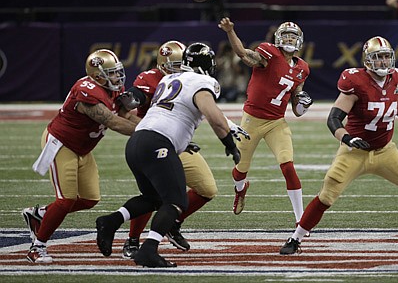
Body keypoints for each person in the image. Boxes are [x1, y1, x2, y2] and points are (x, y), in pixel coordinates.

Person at [279, 36, 398, 255]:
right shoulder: (355, 81)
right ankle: (295, 238)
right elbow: (334, 118)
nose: (384, 62)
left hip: (386, 150)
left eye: (386, 57)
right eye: (379, 57)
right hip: (354, 151)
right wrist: (347, 138)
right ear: (367, 60)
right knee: (326, 197)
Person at [95, 43, 242, 268]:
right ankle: (148, 250)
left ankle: (110, 222)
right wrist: (229, 144)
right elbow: (213, 117)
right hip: (158, 143)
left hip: (138, 140)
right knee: (176, 200)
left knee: (153, 199)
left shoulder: (167, 80)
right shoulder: (203, 82)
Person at [22, 49, 140, 264]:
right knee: (66, 199)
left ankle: (39, 214)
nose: (117, 77)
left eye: (117, 72)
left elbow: (125, 115)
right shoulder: (86, 91)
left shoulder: (112, 88)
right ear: (97, 75)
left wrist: (154, 128)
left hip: (83, 147)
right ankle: (37, 247)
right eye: (111, 73)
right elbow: (113, 123)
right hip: (62, 143)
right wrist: (149, 133)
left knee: (89, 199)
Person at [218, 18, 313, 227]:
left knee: (288, 166)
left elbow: (297, 108)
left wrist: (303, 103)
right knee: (240, 170)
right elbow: (243, 53)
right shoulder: (269, 54)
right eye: (286, 35)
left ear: (300, 42)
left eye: (293, 36)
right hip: (251, 120)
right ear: (279, 39)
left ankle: (301, 220)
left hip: (277, 122)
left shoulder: (302, 69)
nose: (289, 39)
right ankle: (240, 189)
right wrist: (230, 31)